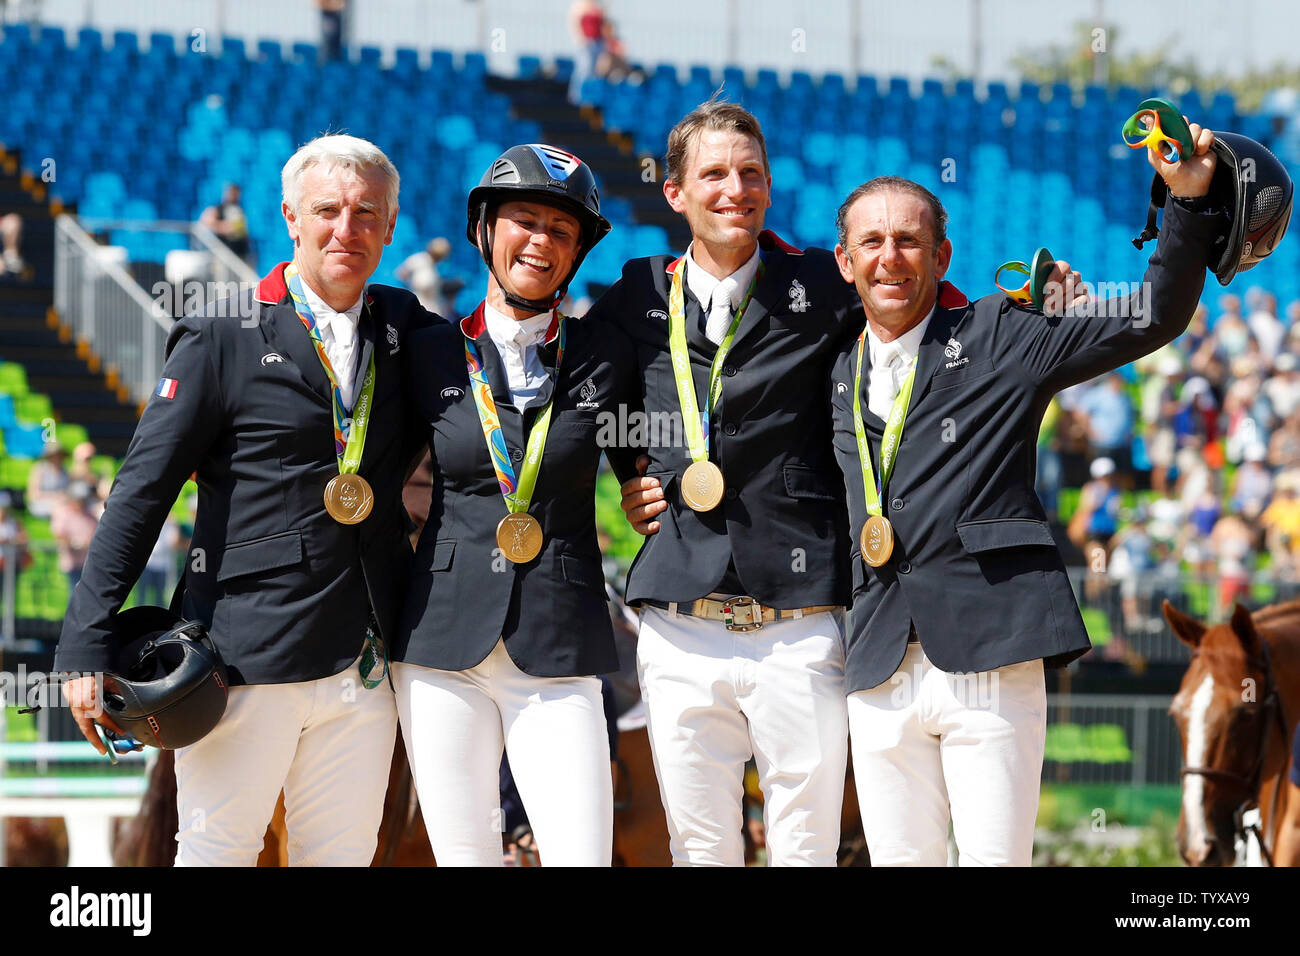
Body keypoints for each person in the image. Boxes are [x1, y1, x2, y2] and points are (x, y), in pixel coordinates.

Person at [826, 115, 1229, 865]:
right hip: (877, 664)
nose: (891, 258)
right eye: (872, 244)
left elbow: (1151, 316)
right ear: (845, 262)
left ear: (941, 255)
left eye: (910, 241)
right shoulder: (830, 371)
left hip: (991, 654)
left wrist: (1189, 204)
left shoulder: (1002, 336)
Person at [54, 134, 429, 867]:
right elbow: (140, 494)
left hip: (365, 663)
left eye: (366, 214)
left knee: (344, 857)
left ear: (389, 227)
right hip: (242, 658)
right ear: (291, 217)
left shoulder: (409, 334)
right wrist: (81, 645)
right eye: (327, 210)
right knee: (218, 853)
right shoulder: (219, 337)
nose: (345, 229)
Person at [392, 144, 640, 866]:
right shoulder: (426, 350)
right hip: (441, 649)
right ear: (484, 231)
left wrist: (638, 476)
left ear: (578, 252)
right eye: (523, 221)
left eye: (561, 232)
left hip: (560, 648)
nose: (540, 241)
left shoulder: (607, 352)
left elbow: (649, 440)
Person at [395, 236, 459, 315]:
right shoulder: (419, 259)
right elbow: (401, 273)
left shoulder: (437, 267)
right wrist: (410, 287)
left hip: (431, 308)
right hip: (417, 304)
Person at [199, 183, 251, 263]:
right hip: (223, 252)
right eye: (231, 192)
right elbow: (206, 220)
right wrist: (223, 226)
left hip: (238, 252)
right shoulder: (219, 208)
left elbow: (237, 229)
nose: (233, 195)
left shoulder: (239, 210)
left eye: (235, 193)